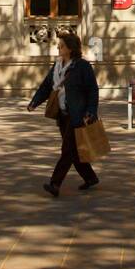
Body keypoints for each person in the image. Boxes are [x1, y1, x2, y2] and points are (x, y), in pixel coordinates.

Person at [28, 31, 101, 197]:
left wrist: (91, 112)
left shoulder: (82, 66)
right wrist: (34, 102)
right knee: (74, 152)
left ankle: (55, 184)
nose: (58, 47)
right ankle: (90, 178)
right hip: (62, 115)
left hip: (78, 115)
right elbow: (47, 86)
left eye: (61, 45)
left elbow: (92, 90)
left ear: (70, 48)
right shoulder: (57, 65)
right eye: (58, 45)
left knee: (67, 151)